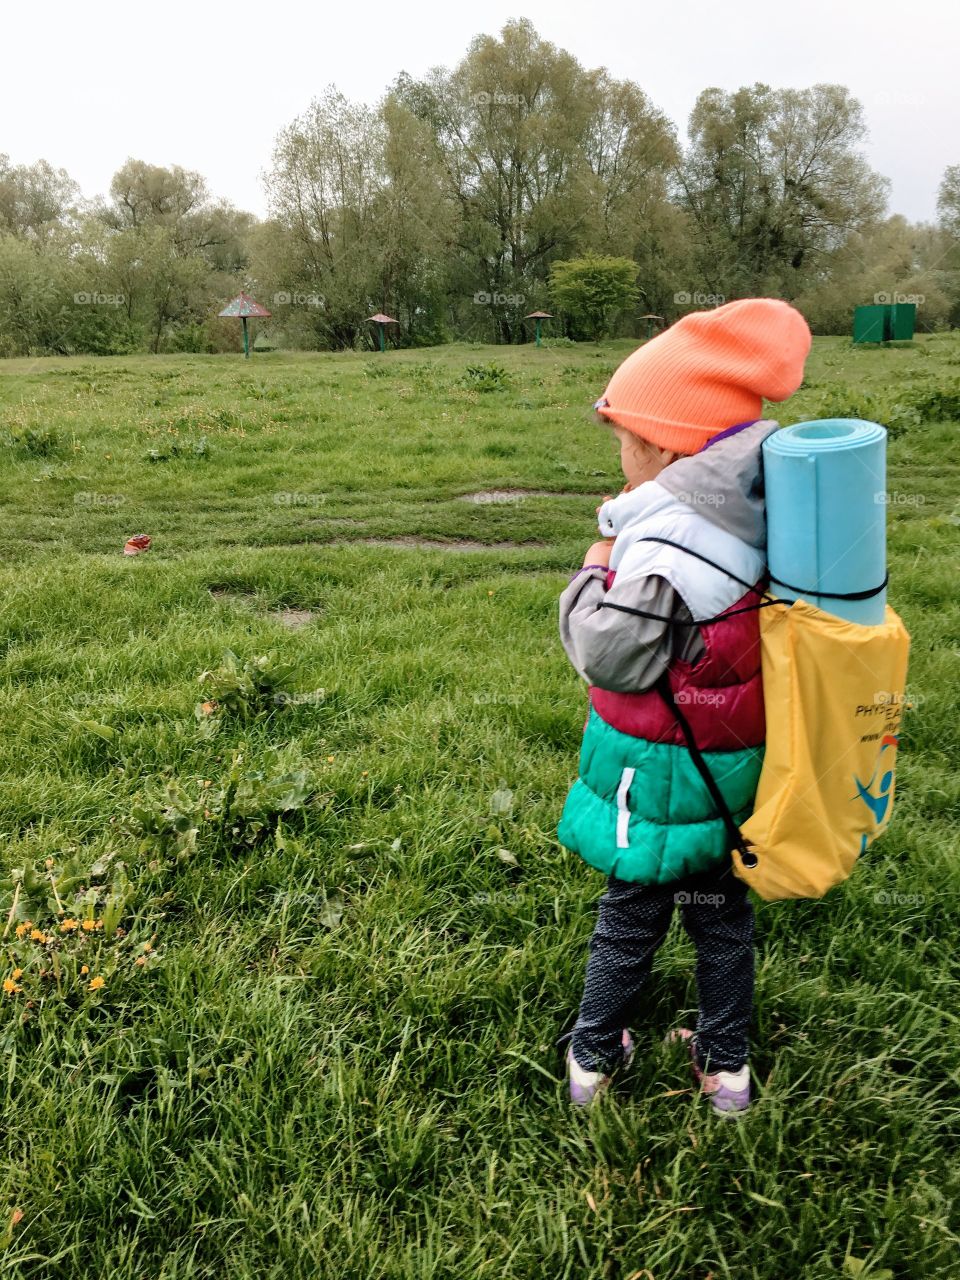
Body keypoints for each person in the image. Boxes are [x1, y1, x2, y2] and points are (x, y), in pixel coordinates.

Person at [557, 298, 812, 1113]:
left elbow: (610, 652)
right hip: (726, 766)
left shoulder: (675, 542)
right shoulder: (752, 513)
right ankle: (726, 1068)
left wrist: (597, 566)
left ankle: (593, 1061)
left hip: (661, 771)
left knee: (631, 915)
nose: (622, 457)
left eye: (625, 441)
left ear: (665, 443)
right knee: (718, 919)